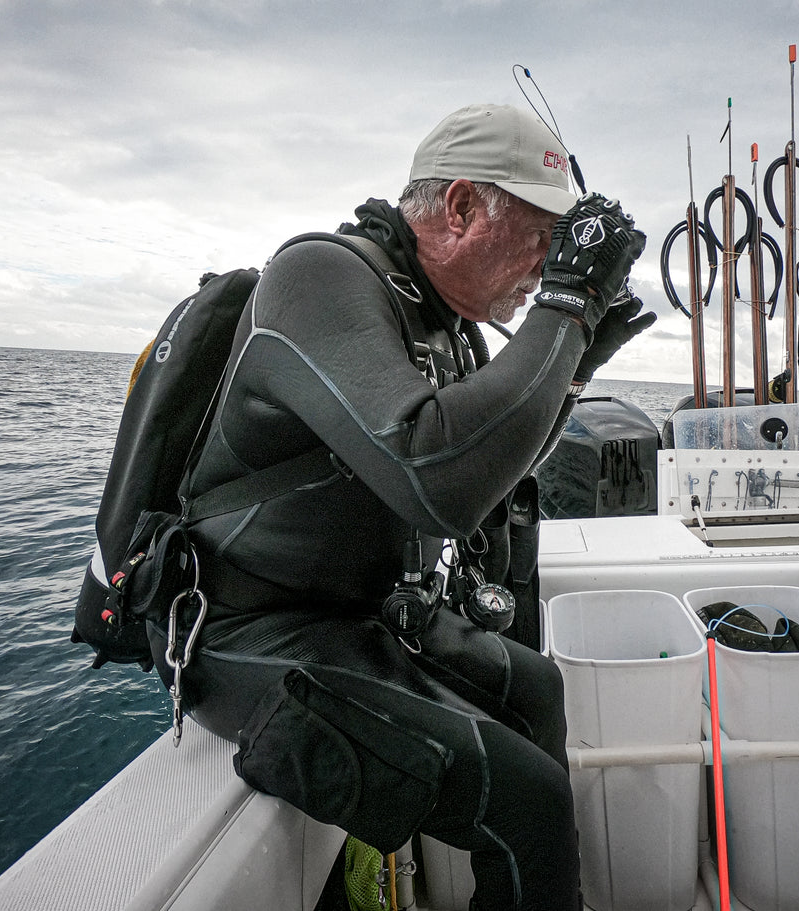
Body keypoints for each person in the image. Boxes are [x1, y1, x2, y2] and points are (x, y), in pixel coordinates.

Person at [155, 103, 650, 911]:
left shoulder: (448, 326)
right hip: (250, 629)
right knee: (527, 798)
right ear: (460, 209)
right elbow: (434, 481)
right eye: (541, 241)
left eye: (563, 250)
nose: (546, 266)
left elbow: (484, 472)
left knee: (539, 688)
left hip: (361, 612)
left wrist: (576, 359)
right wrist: (567, 302)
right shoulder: (318, 279)